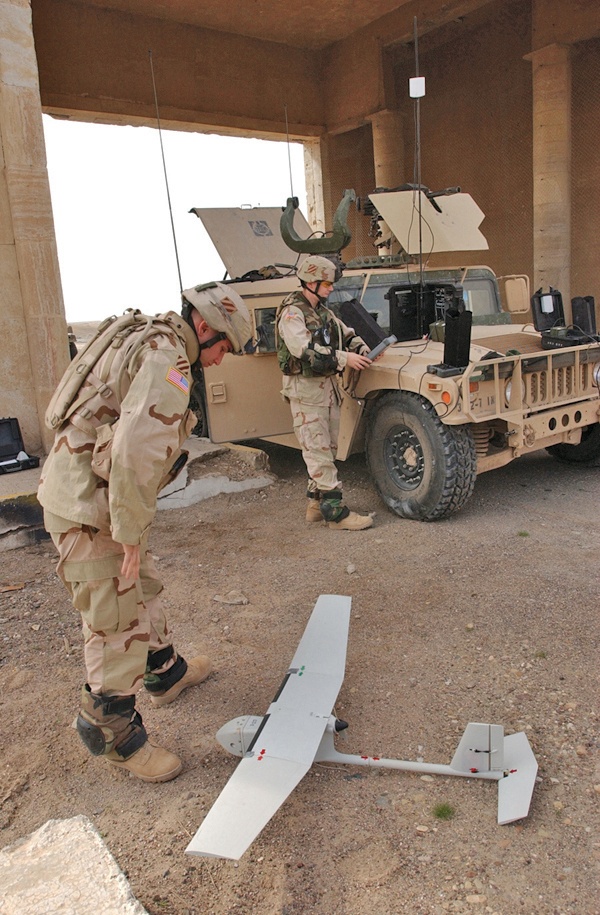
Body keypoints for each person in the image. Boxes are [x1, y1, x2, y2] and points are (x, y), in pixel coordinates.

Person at [38, 283, 251, 783]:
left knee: (144, 585)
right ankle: (112, 733)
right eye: (223, 347)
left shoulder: (152, 336)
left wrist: (131, 532)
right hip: (88, 509)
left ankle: (164, 673)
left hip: (98, 495)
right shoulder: (170, 364)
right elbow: (135, 449)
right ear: (204, 327)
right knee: (115, 616)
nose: (220, 360)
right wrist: (130, 533)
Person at [276, 255, 374, 531]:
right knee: (317, 450)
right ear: (311, 282)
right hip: (306, 393)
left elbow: (345, 332)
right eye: (326, 284)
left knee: (326, 450)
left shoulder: (321, 311)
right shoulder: (293, 313)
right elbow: (305, 350)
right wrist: (345, 359)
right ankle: (336, 513)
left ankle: (316, 505)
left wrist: (360, 348)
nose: (331, 288)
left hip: (326, 391)